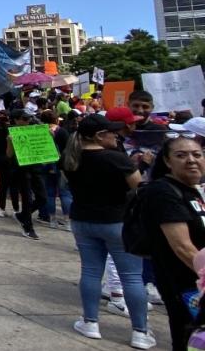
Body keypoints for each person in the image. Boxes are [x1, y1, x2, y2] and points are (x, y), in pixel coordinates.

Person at [62, 113, 152, 347]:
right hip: (116, 222)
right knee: (132, 277)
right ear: (100, 136)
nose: (116, 134)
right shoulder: (116, 159)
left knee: (91, 272)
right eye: (112, 132)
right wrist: (143, 164)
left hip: (82, 220)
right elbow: (140, 189)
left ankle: (90, 321)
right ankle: (140, 331)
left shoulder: (72, 158)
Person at [144, 136, 205, 351]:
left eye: (197, 154)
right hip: (186, 286)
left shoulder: (192, 190)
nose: (191, 160)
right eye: (181, 155)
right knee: (190, 341)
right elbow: (182, 247)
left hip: (198, 282)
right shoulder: (163, 191)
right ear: (168, 161)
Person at [5, 109, 46, 240]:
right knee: (27, 198)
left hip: (36, 167)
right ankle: (28, 227)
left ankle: (23, 215)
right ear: (16, 120)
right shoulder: (11, 133)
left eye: (28, 119)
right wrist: (10, 142)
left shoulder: (34, 130)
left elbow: (43, 147)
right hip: (21, 169)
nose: (28, 121)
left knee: (42, 198)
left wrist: (48, 137)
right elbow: (9, 155)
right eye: (24, 119)